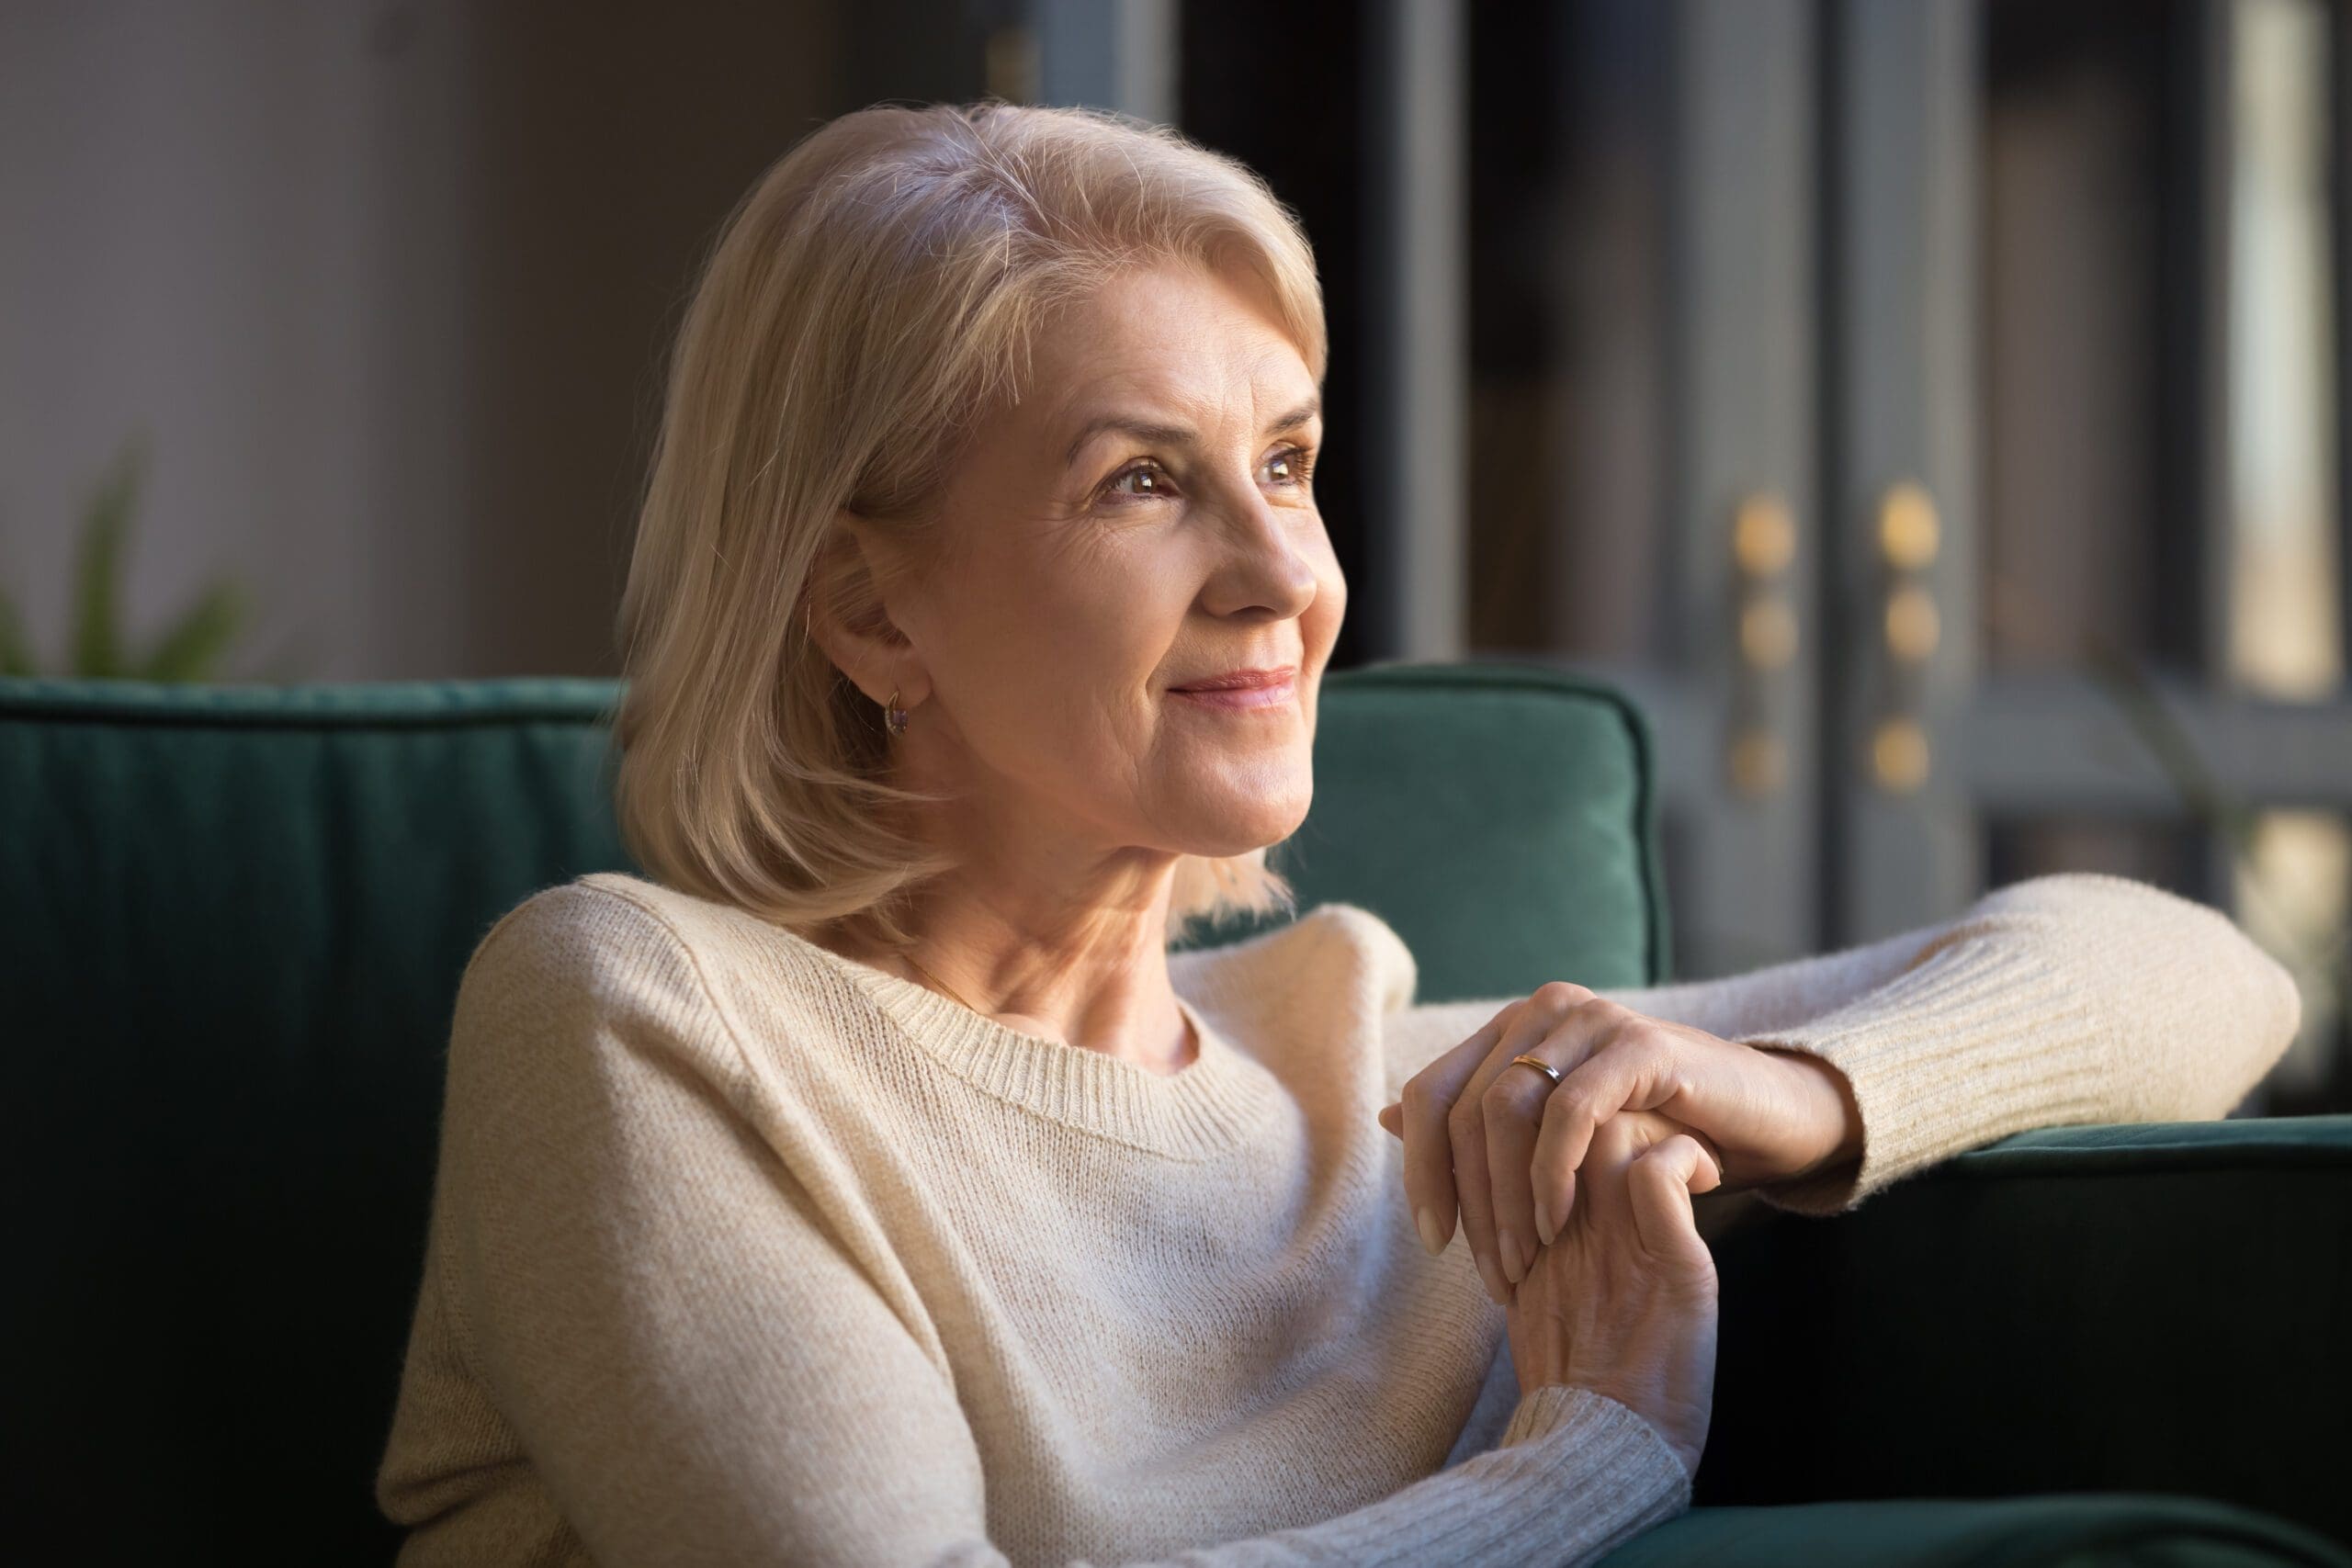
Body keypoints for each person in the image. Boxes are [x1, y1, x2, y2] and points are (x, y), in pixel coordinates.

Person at [373, 100, 2304, 1566]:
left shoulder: (1393, 1089)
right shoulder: (637, 1018)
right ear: (872, 611)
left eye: (1286, 461)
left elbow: (2203, 976)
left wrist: (1774, 1088)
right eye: (1143, 479)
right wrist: (1578, 1463)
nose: (1284, 573)